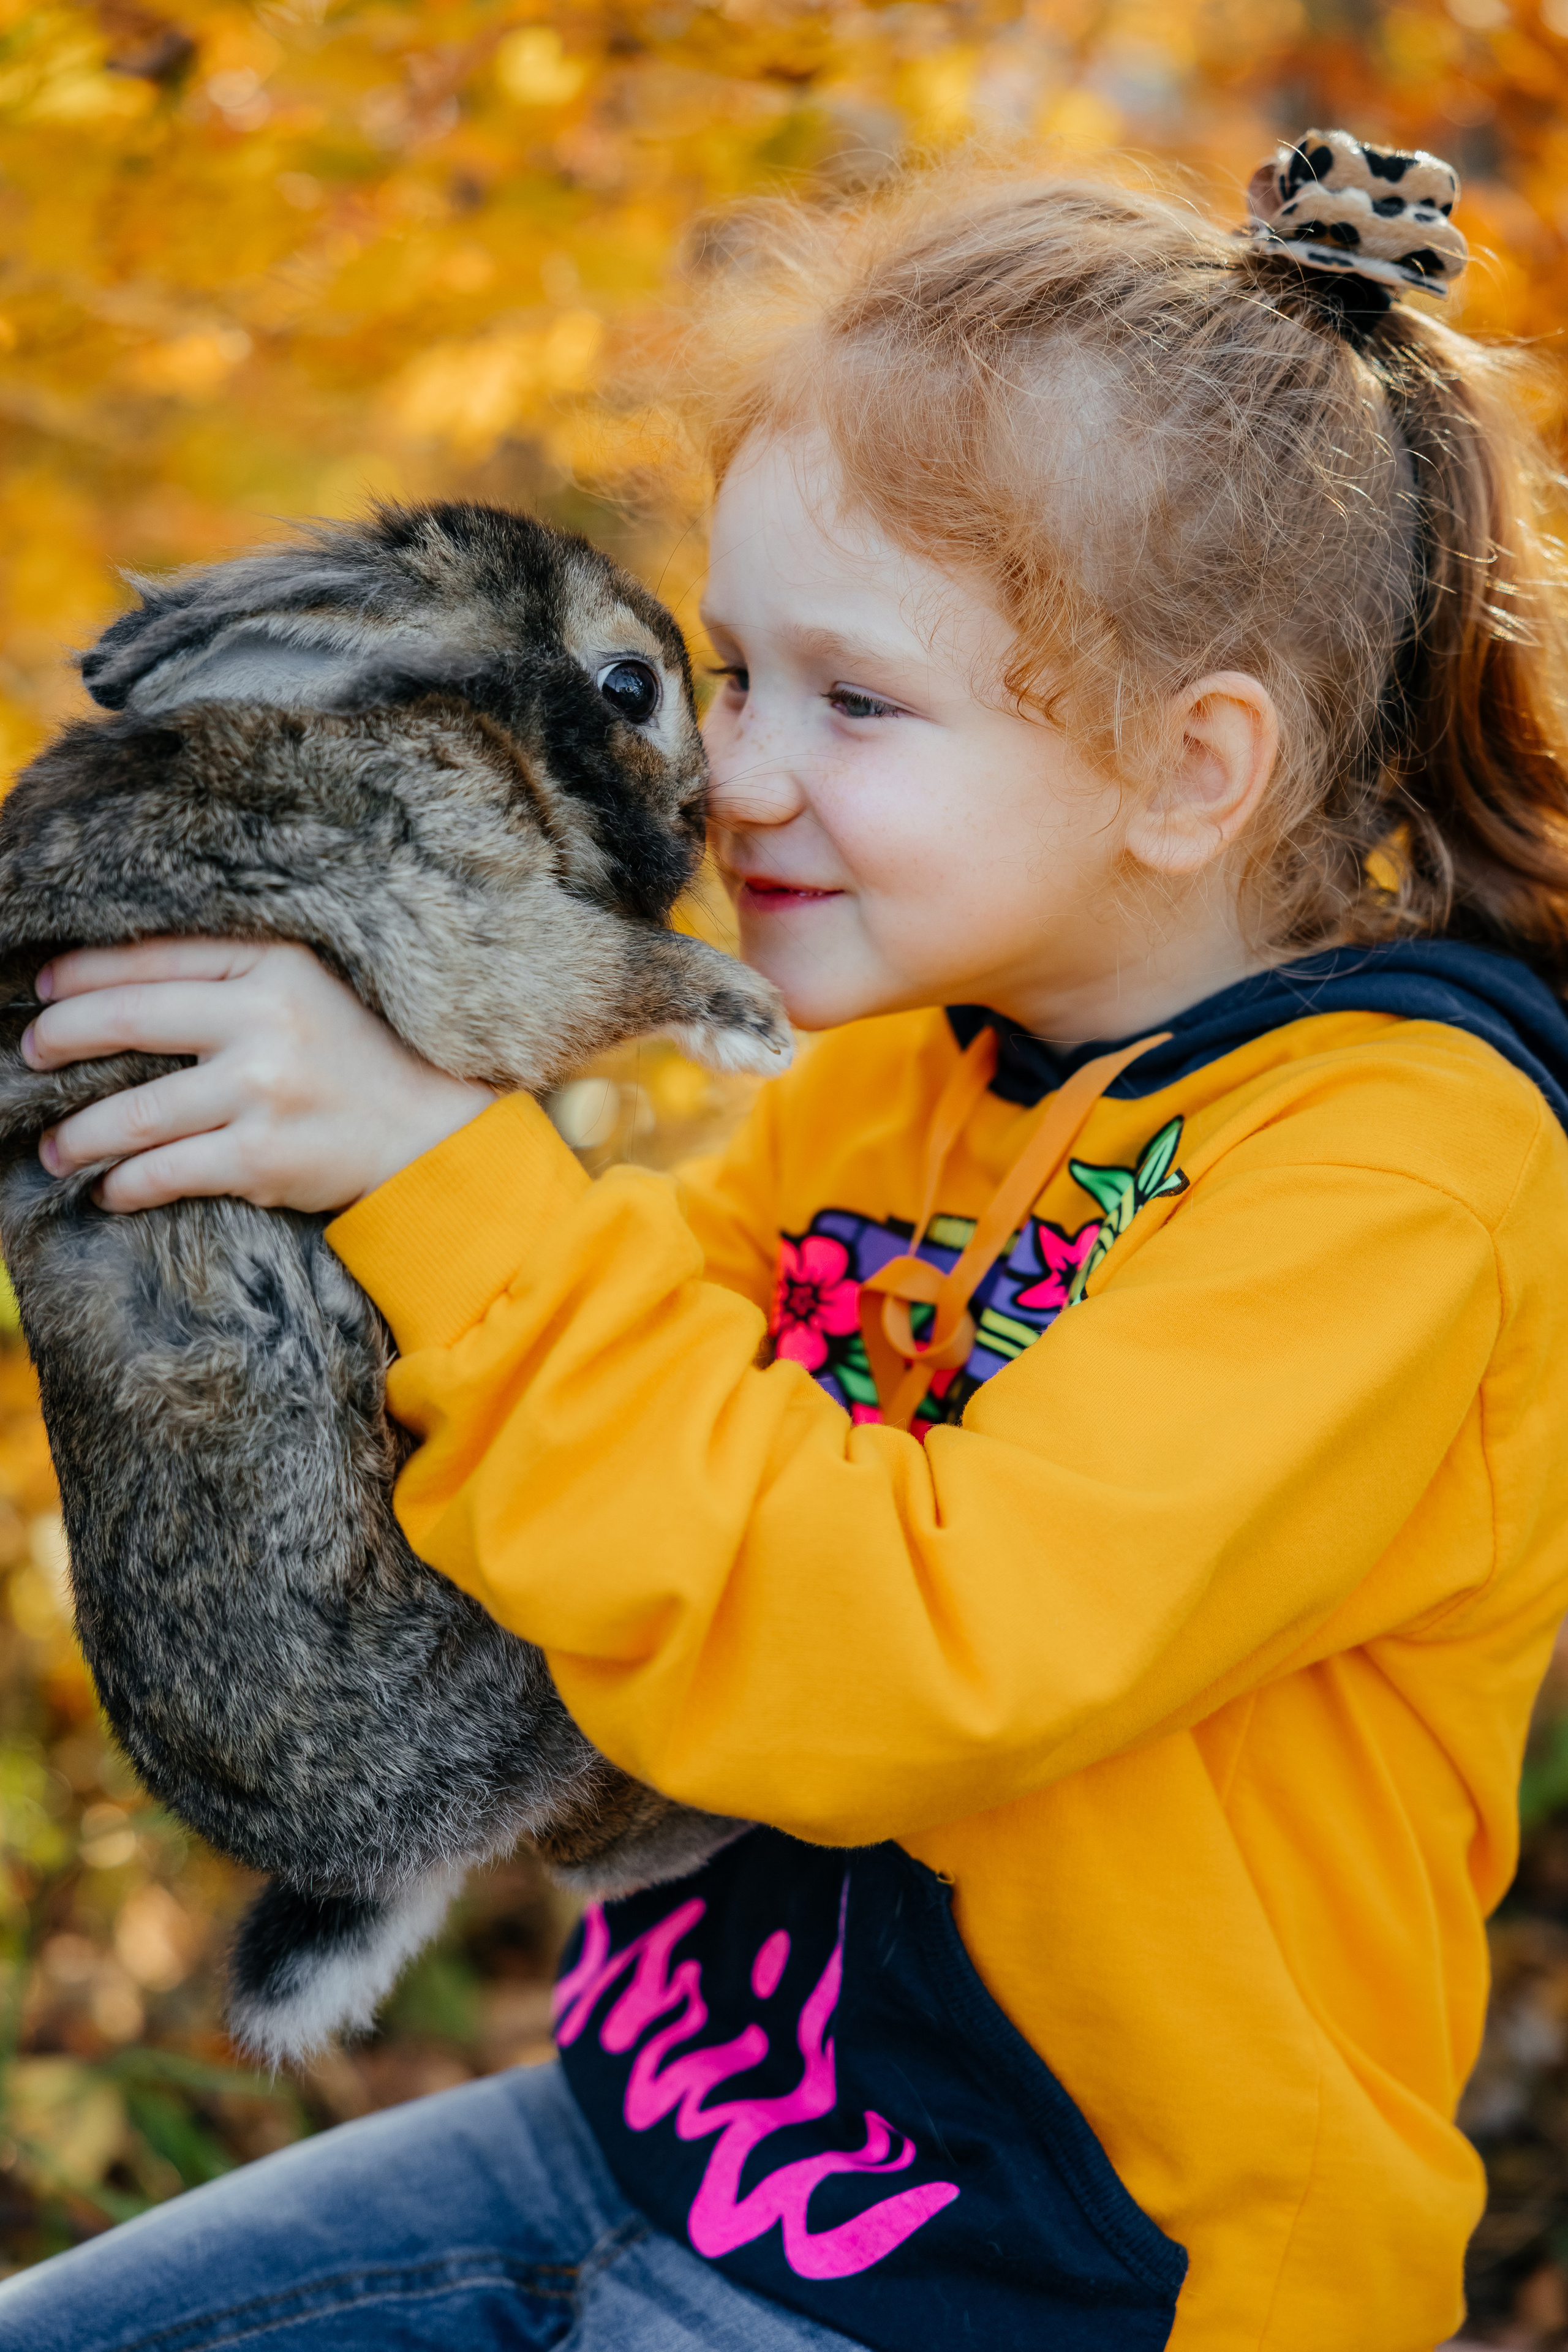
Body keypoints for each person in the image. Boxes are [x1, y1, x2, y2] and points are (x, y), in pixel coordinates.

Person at [3, 130, 1567, 2352]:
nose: (734, 777)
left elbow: (910, 1648)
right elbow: (613, 1491)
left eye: (855, 700)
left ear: (1191, 768)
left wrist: (443, 1174)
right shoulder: (905, 1067)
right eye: (731, 676)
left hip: (1050, 2283)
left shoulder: (1395, 1179)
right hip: (679, 2130)